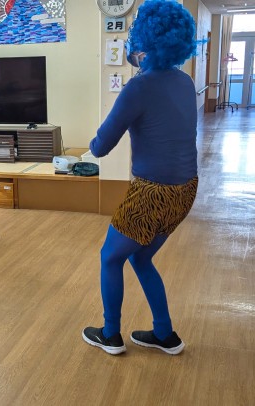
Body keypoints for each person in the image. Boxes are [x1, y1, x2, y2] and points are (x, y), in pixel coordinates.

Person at [82, 0, 198, 356]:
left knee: (110, 257)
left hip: (152, 193)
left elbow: (102, 146)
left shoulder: (139, 87)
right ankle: (164, 334)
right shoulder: (185, 81)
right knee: (141, 258)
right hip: (186, 190)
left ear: (142, 42)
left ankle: (110, 334)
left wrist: (90, 145)